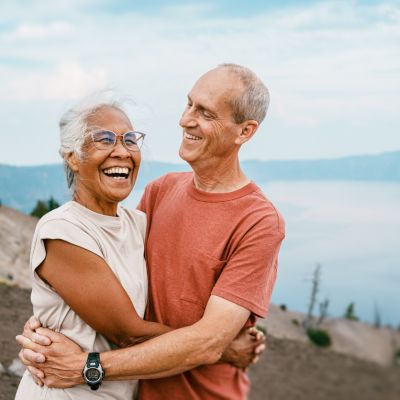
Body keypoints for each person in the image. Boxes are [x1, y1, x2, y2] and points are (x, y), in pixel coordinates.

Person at [18, 63, 285, 400]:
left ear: (244, 132)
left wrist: (215, 344)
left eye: (205, 112)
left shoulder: (258, 220)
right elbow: (123, 317)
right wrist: (43, 325)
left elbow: (205, 341)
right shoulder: (161, 192)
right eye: (189, 104)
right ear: (71, 156)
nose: (186, 119)